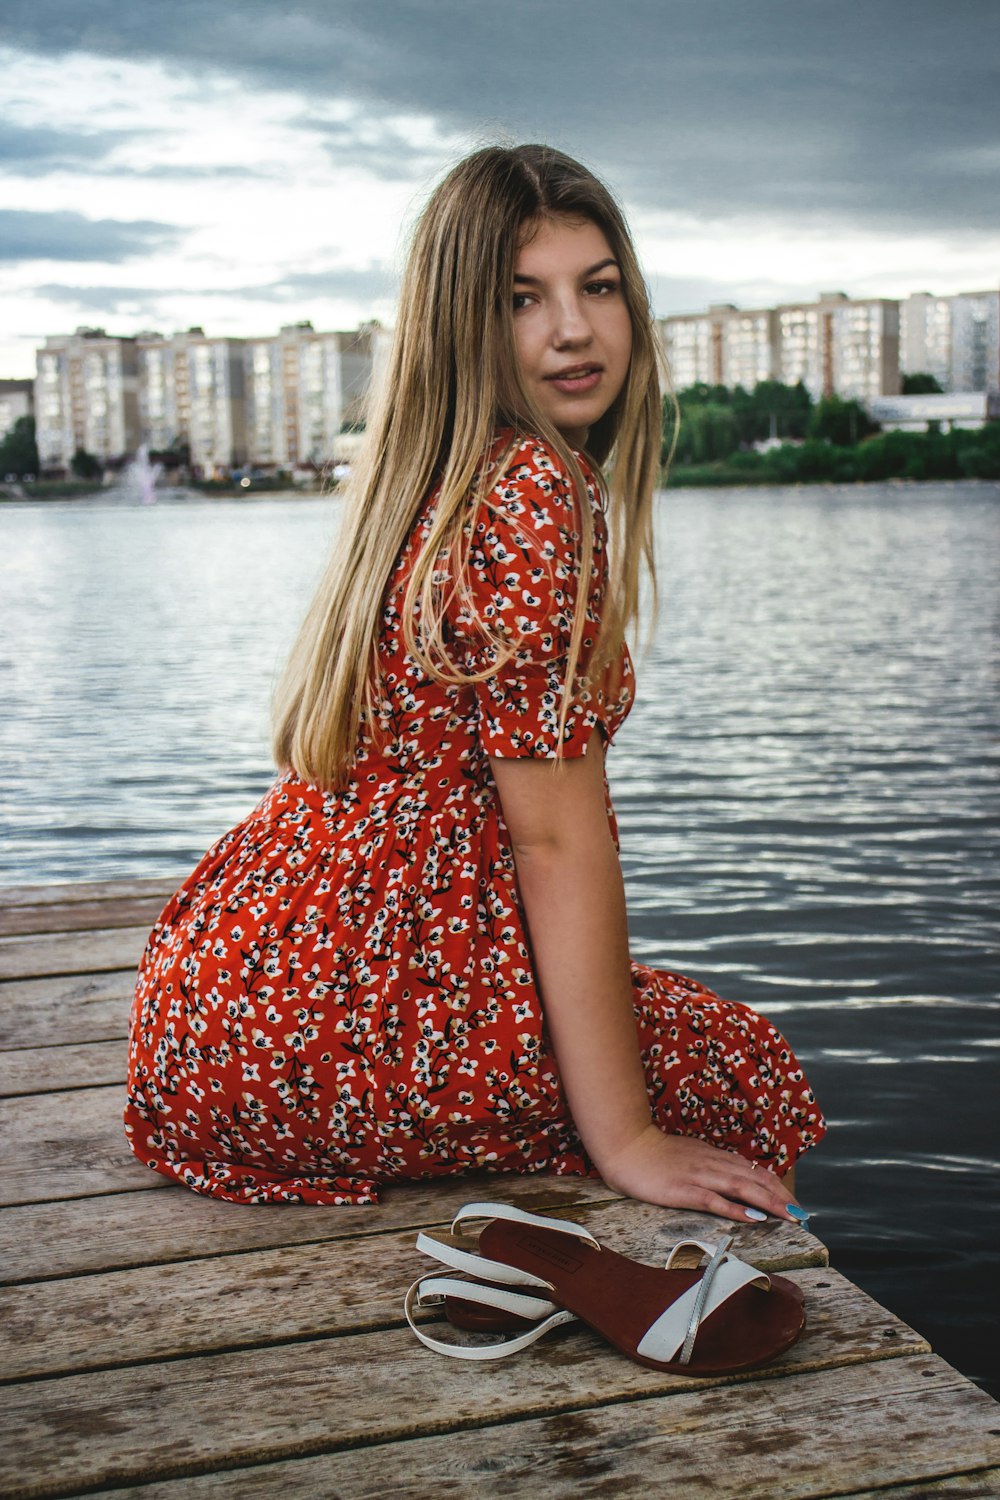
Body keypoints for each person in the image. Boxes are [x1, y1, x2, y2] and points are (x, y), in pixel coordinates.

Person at [125, 144, 825, 1221]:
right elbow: (552, 839)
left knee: (667, 1039)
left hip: (227, 1008)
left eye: (597, 287)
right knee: (738, 1074)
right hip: (346, 1015)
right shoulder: (536, 491)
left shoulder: (437, 479)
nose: (574, 331)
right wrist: (627, 1139)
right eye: (520, 299)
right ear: (464, 323)